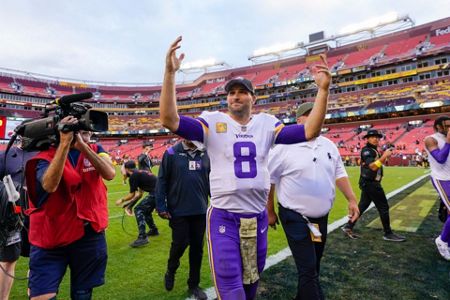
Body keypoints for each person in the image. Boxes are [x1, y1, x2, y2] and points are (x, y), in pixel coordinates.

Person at [159, 36, 331, 300]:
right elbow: (170, 120)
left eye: (241, 92)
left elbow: (310, 130)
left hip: (257, 217)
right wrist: (170, 74)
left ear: (253, 97)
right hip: (224, 216)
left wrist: (323, 91)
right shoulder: (213, 122)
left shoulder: (266, 123)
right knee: (231, 290)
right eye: (231, 92)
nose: (235, 96)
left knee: (251, 285)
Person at [267, 102, 359, 300]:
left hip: (320, 217)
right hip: (294, 215)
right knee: (308, 268)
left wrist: (351, 199)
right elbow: (270, 180)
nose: (314, 117)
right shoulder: (283, 146)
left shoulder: (328, 145)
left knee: (314, 263)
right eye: (309, 114)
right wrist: (270, 211)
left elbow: (339, 173)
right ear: (299, 120)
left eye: (317, 114)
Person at [25, 120, 115, 300]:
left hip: (89, 233)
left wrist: (83, 146)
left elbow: (110, 173)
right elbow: (49, 186)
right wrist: (65, 143)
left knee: (83, 293)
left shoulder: (96, 149)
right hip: (52, 237)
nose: (86, 131)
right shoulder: (46, 155)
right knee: (42, 295)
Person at [156, 139, 210, 300]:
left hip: (200, 210)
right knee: (180, 243)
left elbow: (212, 180)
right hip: (178, 209)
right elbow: (162, 180)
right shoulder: (171, 153)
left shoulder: (206, 153)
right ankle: (171, 269)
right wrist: (160, 205)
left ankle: (194, 284)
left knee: (197, 249)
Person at [342, 129, 406, 242]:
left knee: (362, 206)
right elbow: (372, 166)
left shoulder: (373, 150)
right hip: (370, 183)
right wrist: (384, 156)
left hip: (368, 183)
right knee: (383, 207)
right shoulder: (367, 151)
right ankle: (388, 233)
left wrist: (383, 157)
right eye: (372, 137)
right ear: (367, 139)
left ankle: (348, 226)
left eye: (377, 137)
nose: (376, 139)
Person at [0, 143, 38, 300]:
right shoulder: (6, 154)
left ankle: (34, 294)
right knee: (7, 260)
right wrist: (13, 190)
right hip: (13, 216)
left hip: (39, 215)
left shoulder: (44, 152)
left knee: (38, 260)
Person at [424, 116, 450, 260]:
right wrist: (448, 142)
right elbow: (440, 158)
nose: (449, 128)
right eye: (447, 126)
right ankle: (442, 241)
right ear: (438, 127)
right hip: (441, 179)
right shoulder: (431, 139)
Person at [116, 160, 159, 248]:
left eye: (123, 169)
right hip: (161, 192)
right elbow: (140, 194)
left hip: (158, 193)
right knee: (146, 211)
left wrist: (122, 200)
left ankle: (142, 237)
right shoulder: (139, 173)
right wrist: (129, 205)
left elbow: (132, 194)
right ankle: (153, 230)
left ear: (127, 169)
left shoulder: (133, 176)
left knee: (139, 210)